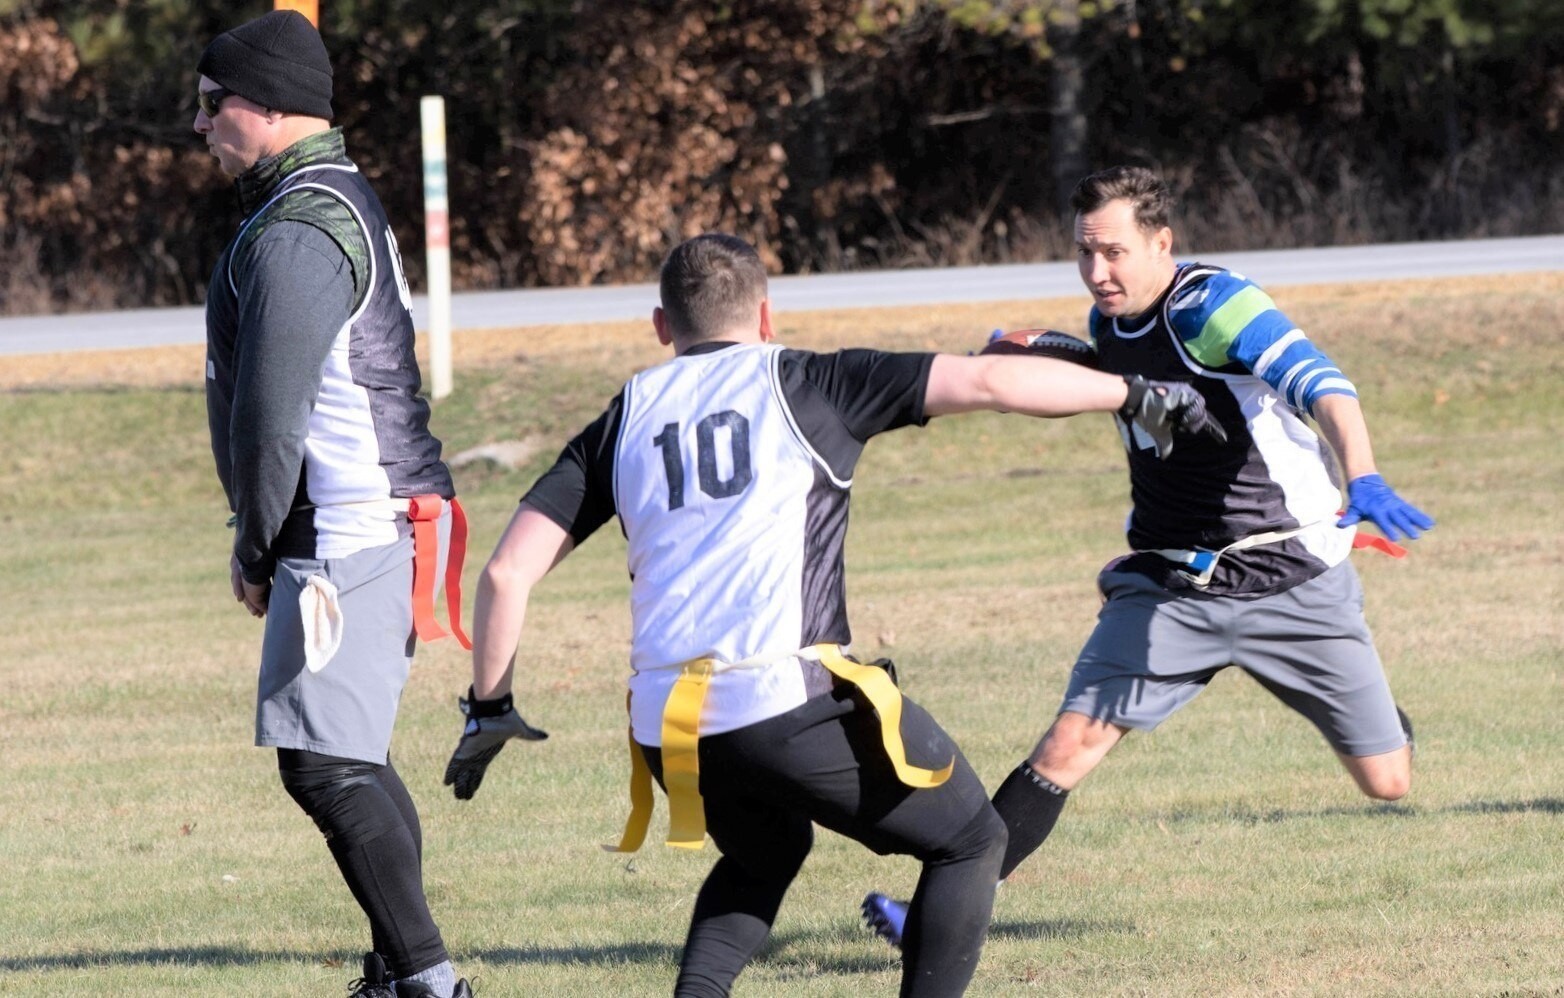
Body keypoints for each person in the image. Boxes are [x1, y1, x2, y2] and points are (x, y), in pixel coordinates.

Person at [441, 233, 1221, 997]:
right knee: (972, 842)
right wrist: (1136, 394)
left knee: (764, 852)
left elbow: (508, 573)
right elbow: (989, 384)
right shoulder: (814, 381)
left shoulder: (628, 415)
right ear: (768, 317)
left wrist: (490, 710)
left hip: (667, 725)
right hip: (779, 699)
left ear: (661, 327)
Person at [861, 164, 1435, 948]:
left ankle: (1386, 723)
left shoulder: (1215, 306)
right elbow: (1109, 384)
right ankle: (935, 917)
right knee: (1068, 744)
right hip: (1175, 585)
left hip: (1291, 578)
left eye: (1116, 252)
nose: (1098, 272)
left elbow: (1324, 383)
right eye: (1084, 253)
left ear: (1162, 242)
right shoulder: (1110, 325)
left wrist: (1361, 473)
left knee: (1387, 781)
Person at [196, 11, 472, 997]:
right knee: (344, 752)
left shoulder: (302, 225)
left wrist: (256, 540)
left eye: (212, 102)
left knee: (324, 762)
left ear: (267, 106)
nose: (201, 123)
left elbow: (274, 412)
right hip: (370, 519)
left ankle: (428, 980)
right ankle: (398, 971)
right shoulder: (317, 197)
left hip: (346, 524)